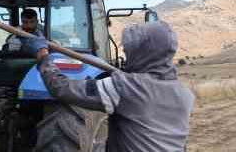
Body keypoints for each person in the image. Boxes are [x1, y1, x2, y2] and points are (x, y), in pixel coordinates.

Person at [33, 21, 194, 151]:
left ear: (143, 53)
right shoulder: (185, 94)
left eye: (131, 50)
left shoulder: (125, 87)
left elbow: (61, 88)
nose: (126, 54)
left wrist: (43, 57)